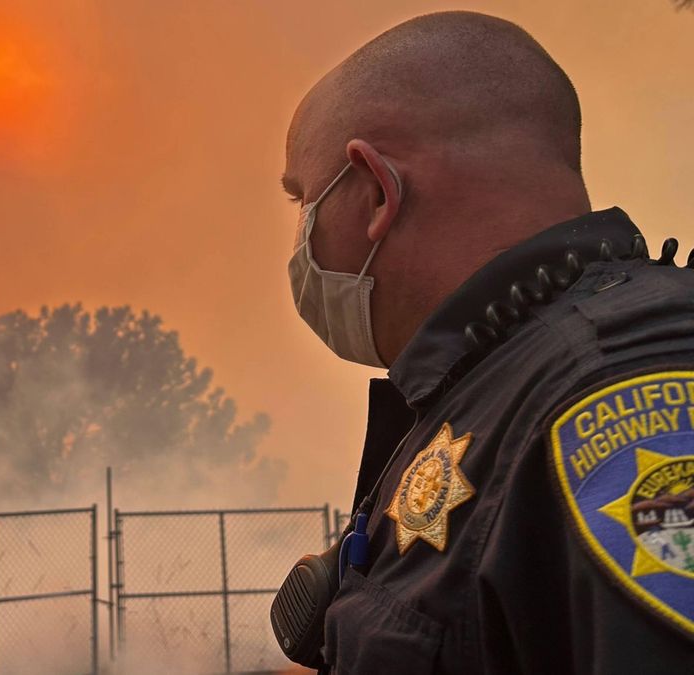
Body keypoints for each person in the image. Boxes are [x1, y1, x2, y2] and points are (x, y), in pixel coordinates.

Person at [273, 10, 694, 674]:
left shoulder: (620, 399)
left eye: (303, 200)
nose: (300, 244)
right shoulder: (495, 390)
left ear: (377, 191)